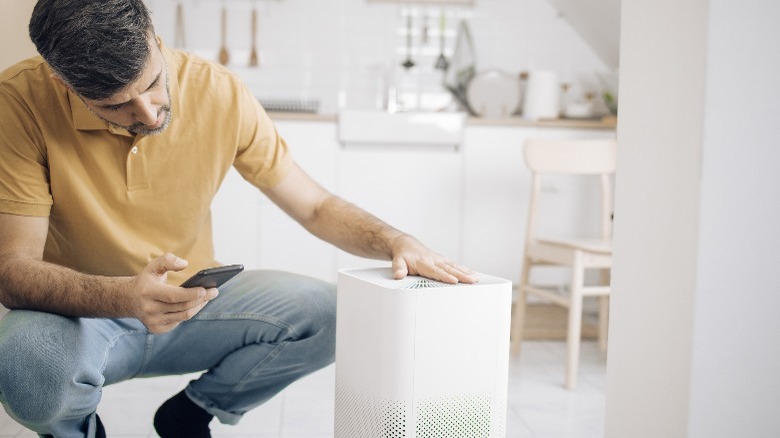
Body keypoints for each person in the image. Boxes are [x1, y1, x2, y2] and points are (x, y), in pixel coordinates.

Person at [0, 1, 477, 436]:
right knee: (24, 364)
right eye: (115, 105)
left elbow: (312, 205)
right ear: (64, 82)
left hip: (195, 302)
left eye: (150, 84)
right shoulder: (19, 102)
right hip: (81, 317)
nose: (146, 113)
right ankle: (79, 431)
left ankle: (190, 413)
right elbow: (12, 271)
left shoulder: (219, 90)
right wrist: (122, 295)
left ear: (153, 38)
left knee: (336, 314)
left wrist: (396, 240)